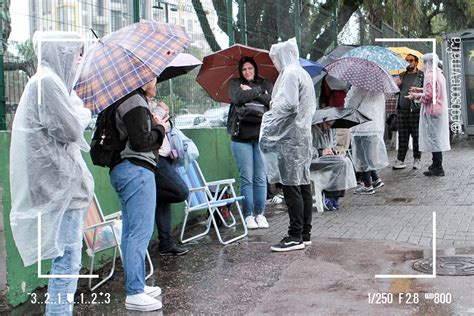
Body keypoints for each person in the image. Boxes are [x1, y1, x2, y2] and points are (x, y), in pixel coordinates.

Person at [9, 31, 93, 315]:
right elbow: (69, 130)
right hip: (60, 189)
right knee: (66, 261)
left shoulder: (49, 83)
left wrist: (76, 110)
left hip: (61, 187)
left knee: (68, 260)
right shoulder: (46, 83)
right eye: (77, 53)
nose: (79, 60)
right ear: (63, 51)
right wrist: (83, 114)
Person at [110, 77, 168, 311]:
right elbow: (142, 141)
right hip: (136, 170)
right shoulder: (134, 101)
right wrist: (160, 128)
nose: (156, 81)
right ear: (144, 79)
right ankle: (134, 291)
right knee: (139, 231)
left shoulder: (128, 98)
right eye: (153, 76)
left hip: (124, 170)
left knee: (130, 231)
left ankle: (137, 284)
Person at [260, 38, 317, 252]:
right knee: (302, 184)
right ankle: (305, 233)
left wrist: (273, 104)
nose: (274, 62)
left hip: (291, 137)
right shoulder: (302, 73)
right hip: (302, 135)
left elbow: (290, 104)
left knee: (292, 186)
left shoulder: (291, 74)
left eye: (274, 58)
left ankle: (295, 235)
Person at [227, 56, 273, 229]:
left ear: (255, 69)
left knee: (260, 177)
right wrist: (258, 92)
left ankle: (260, 214)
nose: (247, 72)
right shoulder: (234, 83)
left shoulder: (265, 83)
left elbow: (272, 102)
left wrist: (253, 90)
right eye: (244, 69)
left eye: (250, 69)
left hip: (260, 137)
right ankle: (248, 215)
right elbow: (237, 98)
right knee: (247, 177)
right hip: (240, 138)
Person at [150, 99, 190, 256]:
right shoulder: (141, 103)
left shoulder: (152, 102)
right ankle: (149, 194)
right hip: (156, 157)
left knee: (164, 201)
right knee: (181, 191)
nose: (155, 83)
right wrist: (159, 111)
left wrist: (165, 115)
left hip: (168, 156)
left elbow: (167, 128)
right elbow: (151, 126)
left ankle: (166, 243)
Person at [406, 53, 450, 176]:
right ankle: (435, 164)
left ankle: (438, 166)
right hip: (439, 110)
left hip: (432, 111)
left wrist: (415, 96)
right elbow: (432, 91)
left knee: (434, 139)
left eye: (423, 62)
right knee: (435, 137)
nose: (422, 65)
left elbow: (430, 96)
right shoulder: (439, 74)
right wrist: (419, 90)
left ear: (427, 63)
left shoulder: (429, 76)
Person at [345, 86, 388, 195]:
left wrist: (347, 99)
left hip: (362, 126)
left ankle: (367, 185)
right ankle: (375, 179)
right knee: (369, 156)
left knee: (362, 157)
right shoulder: (378, 87)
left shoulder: (359, 87)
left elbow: (351, 104)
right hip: (375, 125)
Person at [311, 121, 357, 211]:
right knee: (341, 163)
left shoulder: (330, 130)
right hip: (313, 161)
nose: (329, 127)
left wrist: (333, 150)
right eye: (327, 124)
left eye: (331, 125)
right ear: (322, 122)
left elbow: (332, 145)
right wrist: (321, 151)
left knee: (346, 162)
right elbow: (305, 149)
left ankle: (336, 195)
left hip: (326, 159)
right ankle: (329, 195)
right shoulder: (311, 130)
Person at [393, 54, 424, 170]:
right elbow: (396, 92)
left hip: (415, 110)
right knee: (403, 136)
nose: (408, 62)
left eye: (411, 60)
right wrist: (396, 86)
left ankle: (417, 159)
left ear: (416, 62)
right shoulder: (401, 75)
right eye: (406, 60)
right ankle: (400, 159)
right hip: (402, 110)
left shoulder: (421, 76)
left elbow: (426, 91)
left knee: (416, 136)